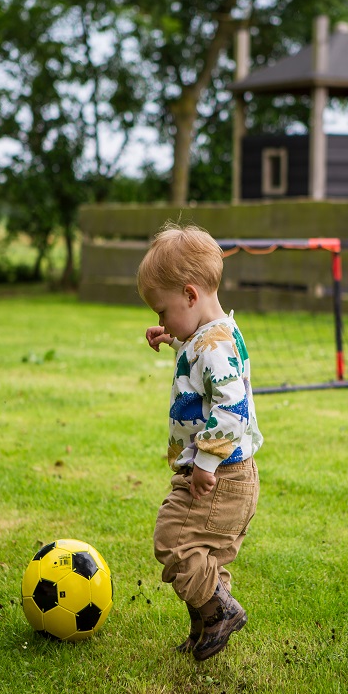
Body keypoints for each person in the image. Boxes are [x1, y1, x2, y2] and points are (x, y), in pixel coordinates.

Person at [137, 222, 262, 662]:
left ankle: (221, 612)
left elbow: (231, 409)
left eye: (162, 312)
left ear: (190, 296)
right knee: (202, 555)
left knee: (173, 542)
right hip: (228, 473)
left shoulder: (212, 346)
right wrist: (174, 340)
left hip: (219, 474)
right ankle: (207, 625)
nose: (159, 320)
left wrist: (206, 463)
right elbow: (203, 369)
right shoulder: (213, 334)